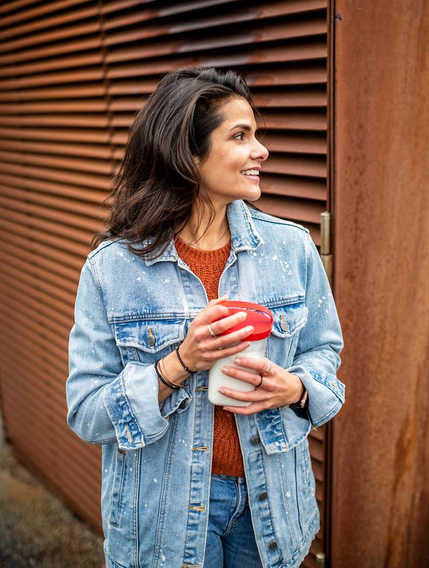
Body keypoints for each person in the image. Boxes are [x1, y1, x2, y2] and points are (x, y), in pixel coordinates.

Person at [66, 67, 345, 568]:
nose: (261, 150)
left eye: (256, 134)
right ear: (187, 154)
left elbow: (324, 350)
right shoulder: (113, 268)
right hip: (165, 515)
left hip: (271, 508)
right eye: (241, 136)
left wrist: (296, 389)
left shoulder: (291, 247)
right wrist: (180, 363)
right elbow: (87, 411)